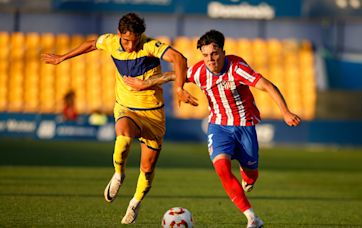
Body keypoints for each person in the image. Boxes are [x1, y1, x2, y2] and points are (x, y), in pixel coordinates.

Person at [125, 30, 301, 228]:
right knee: (222, 169)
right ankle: (252, 218)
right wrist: (145, 83)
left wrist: (285, 112)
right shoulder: (200, 71)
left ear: (223, 52)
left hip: (244, 127)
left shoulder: (237, 68)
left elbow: (268, 86)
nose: (211, 59)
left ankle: (247, 176)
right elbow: (173, 75)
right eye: (206, 55)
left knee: (251, 176)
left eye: (215, 54)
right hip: (218, 126)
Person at [41, 12, 197, 225]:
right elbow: (91, 43)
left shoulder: (150, 45)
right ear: (118, 34)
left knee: (147, 168)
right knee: (122, 135)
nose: (131, 46)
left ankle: (135, 203)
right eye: (126, 40)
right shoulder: (111, 42)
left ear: (141, 36)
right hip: (126, 108)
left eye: (135, 41)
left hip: (153, 114)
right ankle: (118, 175)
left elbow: (179, 59)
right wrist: (62, 57)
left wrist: (177, 88)